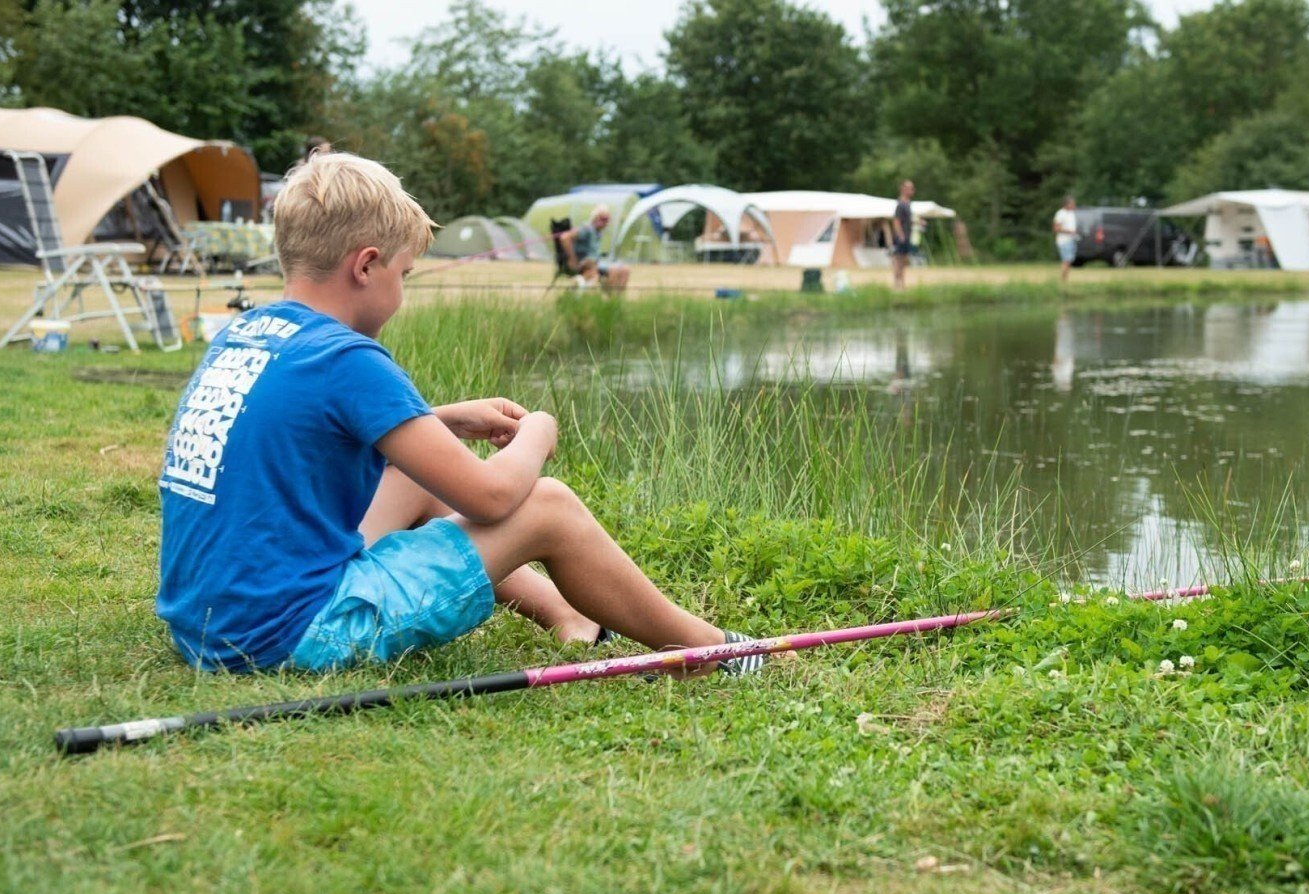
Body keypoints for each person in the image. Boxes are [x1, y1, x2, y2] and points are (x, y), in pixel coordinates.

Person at [156, 152, 765, 676]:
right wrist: (538, 431)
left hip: (209, 620)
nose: (402, 289)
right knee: (547, 504)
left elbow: (305, 433)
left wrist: (441, 420)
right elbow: (492, 498)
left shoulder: (250, 332)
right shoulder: (347, 358)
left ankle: (571, 615)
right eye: (405, 273)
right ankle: (711, 652)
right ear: (366, 266)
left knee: (417, 474)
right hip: (288, 635)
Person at [558, 205, 630, 291]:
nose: (605, 223)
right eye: (603, 219)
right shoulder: (587, 229)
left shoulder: (597, 232)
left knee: (625, 269)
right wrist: (572, 260)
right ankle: (609, 299)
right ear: (595, 218)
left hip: (597, 262)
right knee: (614, 270)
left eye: (607, 220)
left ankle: (617, 301)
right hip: (586, 263)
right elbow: (564, 237)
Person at [890, 180, 916, 290]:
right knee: (898, 260)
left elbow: (908, 220)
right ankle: (897, 285)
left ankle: (902, 284)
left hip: (907, 235)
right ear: (903, 189)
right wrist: (900, 236)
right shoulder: (900, 204)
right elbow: (896, 221)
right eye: (910, 188)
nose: (912, 190)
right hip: (901, 236)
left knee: (904, 261)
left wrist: (918, 222)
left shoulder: (908, 203)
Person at [1052, 196, 1080, 284]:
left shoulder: (1071, 213)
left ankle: (1065, 279)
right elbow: (1056, 229)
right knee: (1066, 260)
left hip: (1071, 240)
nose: (1074, 205)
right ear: (1067, 204)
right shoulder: (1060, 214)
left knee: (1069, 260)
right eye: (1072, 203)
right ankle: (1063, 281)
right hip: (1064, 241)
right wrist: (1070, 231)